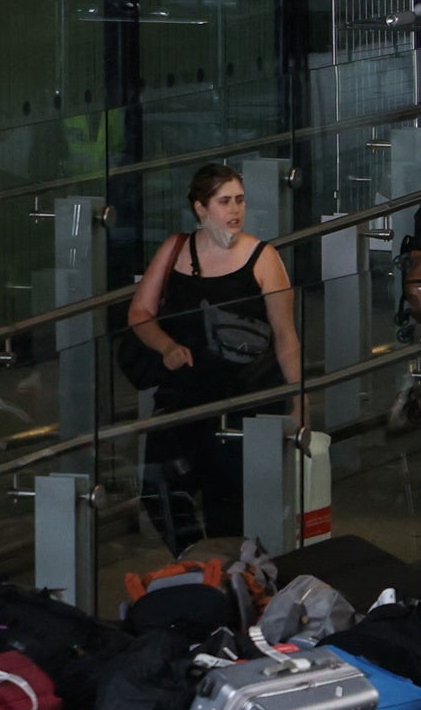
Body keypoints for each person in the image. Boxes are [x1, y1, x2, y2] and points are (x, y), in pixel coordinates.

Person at [123, 162, 304, 546]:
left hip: (245, 392)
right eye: (224, 202)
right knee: (161, 487)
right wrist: (166, 346)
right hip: (186, 389)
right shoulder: (176, 249)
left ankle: (233, 574)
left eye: (239, 200)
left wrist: (299, 398)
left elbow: (286, 335)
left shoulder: (263, 257)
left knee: (232, 500)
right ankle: (195, 561)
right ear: (201, 209)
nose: (235, 210)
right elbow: (140, 312)